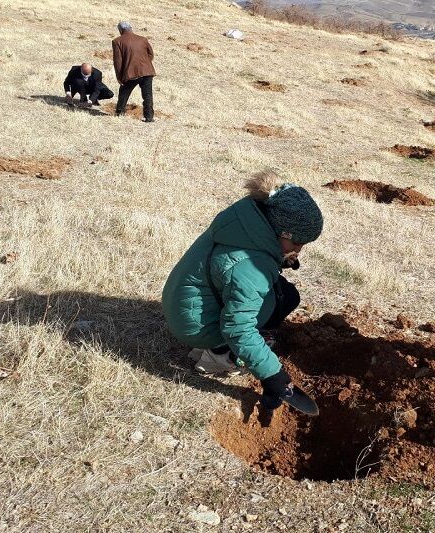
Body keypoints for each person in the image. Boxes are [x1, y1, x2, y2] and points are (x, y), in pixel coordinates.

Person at [162, 171, 323, 411]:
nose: (299, 251)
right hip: (194, 324)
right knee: (274, 302)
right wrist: (274, 378)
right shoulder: (248, 266)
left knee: (285, 295)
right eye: (297, 244)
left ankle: (225, 346)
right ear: (283, 234)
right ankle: (218, 354)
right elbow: (239, 326)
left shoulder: (248, 220)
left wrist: (279, 256)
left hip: (184, 300)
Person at [112, 21, 155, 122]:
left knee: (124, 92)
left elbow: (118, 61)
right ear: (131, 28)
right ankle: (149, 117)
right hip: (147, 71)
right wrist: (145, 64)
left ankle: (120, 113)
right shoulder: (143, 39)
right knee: (147, 95)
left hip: (131, 73)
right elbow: (151, 54)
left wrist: (119, 77)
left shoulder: (117, 41)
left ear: (120, 30)